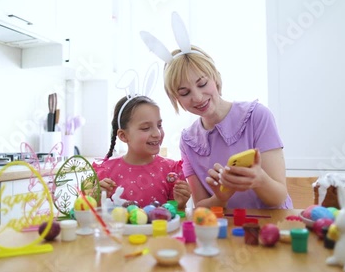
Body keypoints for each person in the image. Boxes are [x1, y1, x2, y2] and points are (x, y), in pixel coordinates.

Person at [162, 45, 293, 209]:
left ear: (215, 78)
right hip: (228, 229)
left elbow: (278, 197)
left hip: (272, 226)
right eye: (184, 93)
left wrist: (259, 179)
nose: (197, 97)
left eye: (202, 84)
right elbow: (201, 206)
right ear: (176, 99)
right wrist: (221, 198)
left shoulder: (257, 116)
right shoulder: (188, 141)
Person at [92, 95, 191, 210]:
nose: (157, 133)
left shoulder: (172, 170)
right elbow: (94, 216)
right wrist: (97, 200)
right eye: (145, 128)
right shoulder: (106, 172)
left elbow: (176, 215)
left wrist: (181, 204)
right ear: (123, 136)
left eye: (159, 125)